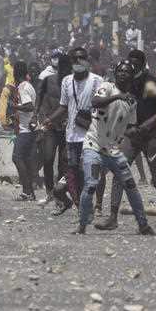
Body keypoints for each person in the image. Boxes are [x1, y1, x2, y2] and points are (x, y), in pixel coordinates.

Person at [74, 60, 154, 235]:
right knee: (91, 184)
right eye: (121, 70)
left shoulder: (132, 102)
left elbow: (129, 127)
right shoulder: (107, 87)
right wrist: (117, 96)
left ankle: (143, 225)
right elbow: (95, 102)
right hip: (93, 145)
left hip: (113, 150)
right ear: (116, 73)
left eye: (127, 72)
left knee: (131, 186)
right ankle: (81, 225)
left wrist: (138, 131)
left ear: (132, 77)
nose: (123, 74)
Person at [97, 49, 156, 231]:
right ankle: (113, 217)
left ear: (143, 63)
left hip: (150, 135)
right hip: (131, 135)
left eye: (137, 61)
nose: (133, 64)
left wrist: (149, 122)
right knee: (119, 171)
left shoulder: (149, 83)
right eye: (131, 61)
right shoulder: (125, 83)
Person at [43, 46, 104, 215]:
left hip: (92, 134)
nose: (79, 61)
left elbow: (104, 105)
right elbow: (63, 106)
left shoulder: (97, 80)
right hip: (71, 136)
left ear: (87, 60)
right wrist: (49, 120)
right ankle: (81, 208)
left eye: (82, 58)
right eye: (75, 58)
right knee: (73, 172)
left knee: (90, 171)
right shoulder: (66, 81)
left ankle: (95, 205)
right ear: (71, 62)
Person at [35, 54, 71, 206]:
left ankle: (60, 192)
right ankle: (50, 191)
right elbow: (39, 98)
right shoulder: (49, 80)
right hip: (50, 126)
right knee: (48, 158)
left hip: (68, 127)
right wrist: (38, 116)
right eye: (62, 66)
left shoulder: (74, 83)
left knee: (64, 162)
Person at [11, 61, 37, 201]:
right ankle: (30, 192)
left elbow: (29, 106)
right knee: (25, 160)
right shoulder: (29, 85)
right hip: (28, 128)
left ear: (16, 72)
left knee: (17, 157)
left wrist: (15, 107)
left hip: (25, 129)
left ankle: (27, 191)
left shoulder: (22, 87)